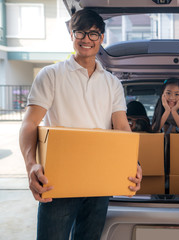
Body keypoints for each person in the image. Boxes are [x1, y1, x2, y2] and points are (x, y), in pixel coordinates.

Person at [19, 9, 142, 240]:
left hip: (99, 181)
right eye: (80, 32)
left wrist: (132, 163)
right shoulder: (51, 75)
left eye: (93, 33)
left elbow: (122, 128)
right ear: (71, 35)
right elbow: (29, 124)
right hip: (58, 181)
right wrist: (31, 166)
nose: (86, 39)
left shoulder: (112, 83)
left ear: (102, 38)